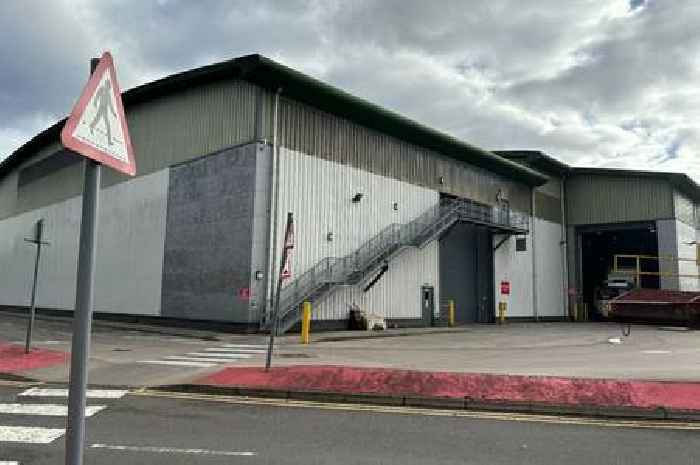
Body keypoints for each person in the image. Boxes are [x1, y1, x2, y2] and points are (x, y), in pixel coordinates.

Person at [89, 78, 117, 145]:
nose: (108, 87)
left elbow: (110, 105)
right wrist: (95, 102)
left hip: (105, 110)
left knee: (107, 124)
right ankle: (91, 126)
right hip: (101, 108)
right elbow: (97, 95)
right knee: (97, 119)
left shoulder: (109, 94)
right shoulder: (102, 89)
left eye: (109, 86)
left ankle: (109, 141)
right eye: (108, 85)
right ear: (106, 85)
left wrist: (113, 113)